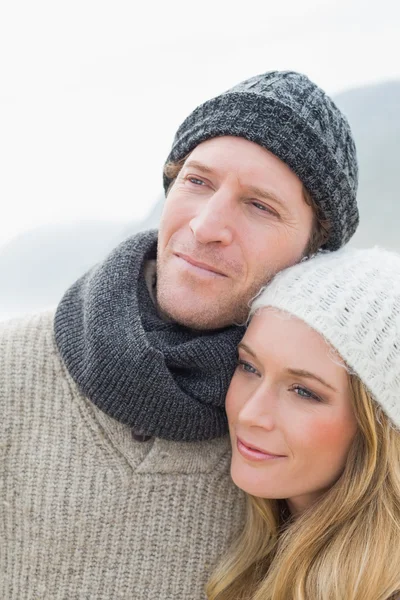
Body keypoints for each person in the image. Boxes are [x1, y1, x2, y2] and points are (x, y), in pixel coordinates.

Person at [0, 71, 359, 599]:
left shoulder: (305, 454)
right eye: (197, 182)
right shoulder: (10, 370)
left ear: (314, 253)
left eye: (260, 206)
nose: (206, 226)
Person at [207, 246, 400, 600]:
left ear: (378, 430)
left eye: (304, 392)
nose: (250, 414)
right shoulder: (253, 543)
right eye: (250, 367)